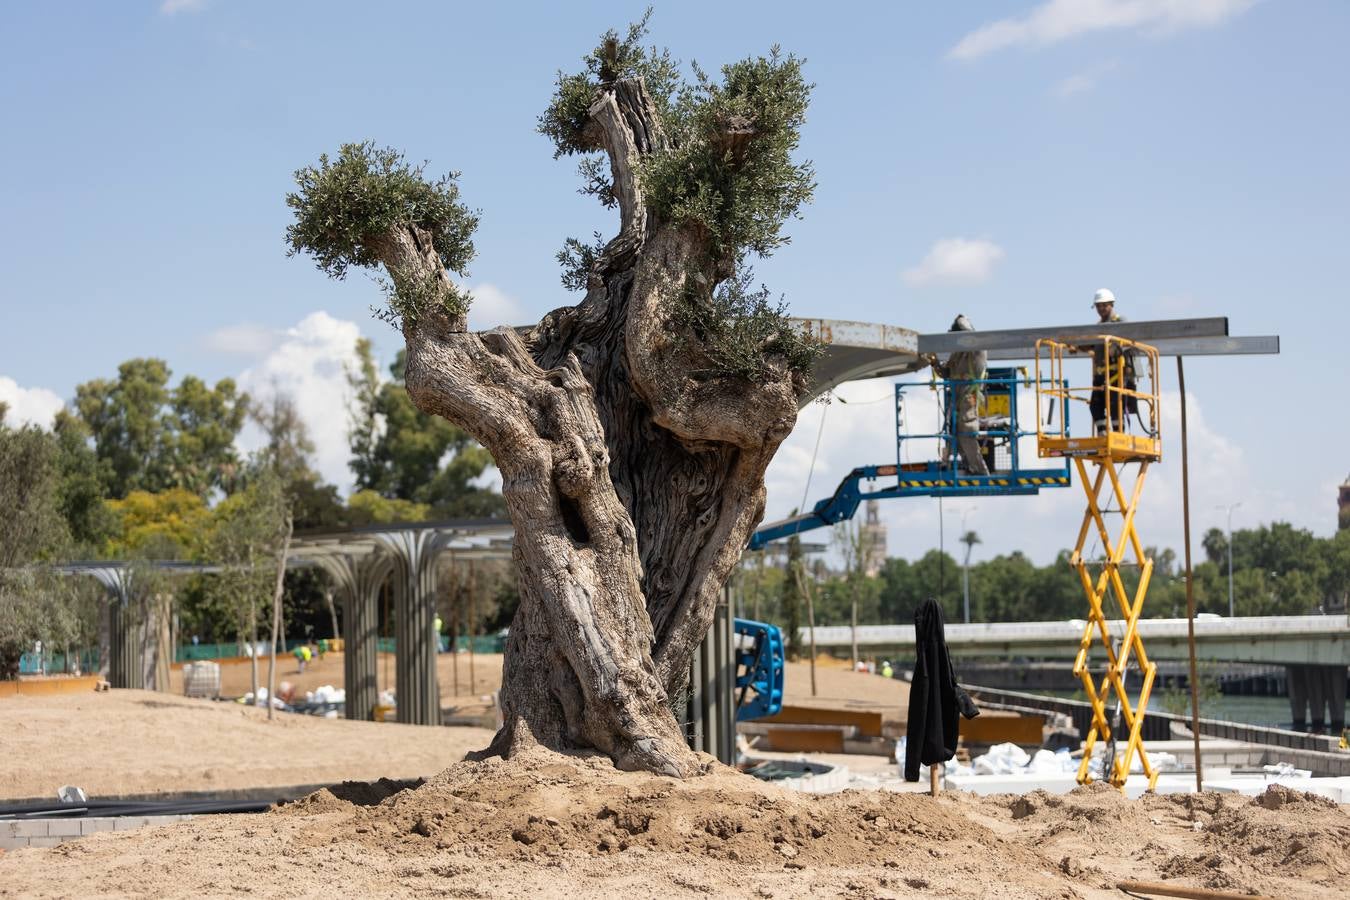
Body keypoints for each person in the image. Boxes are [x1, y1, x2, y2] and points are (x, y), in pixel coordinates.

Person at [926, 314, 990, 475]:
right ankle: (970, 466)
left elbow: (971, 335)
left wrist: (961, 321)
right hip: (956, 398)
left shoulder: (978, 351)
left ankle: (980, 470)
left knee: (967, 430)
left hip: (968, 396)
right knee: (954, 431)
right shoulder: (957, 353)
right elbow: (947, 373)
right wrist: (935, 364)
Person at [1088, 288, 1137, 435]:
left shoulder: (1120, 322)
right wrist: (1077, 346)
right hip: (1101, 375)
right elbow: (1093, 347)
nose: (1101, 308)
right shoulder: (1097, 327)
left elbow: (1130, 343)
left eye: (1104, 305)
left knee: (1115, 405)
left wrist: (1116, 348)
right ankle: (1103, 434)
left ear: (1111, 304)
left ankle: (1118, 434)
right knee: (1095, 406)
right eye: (1098, 306)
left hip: (1117, 373)